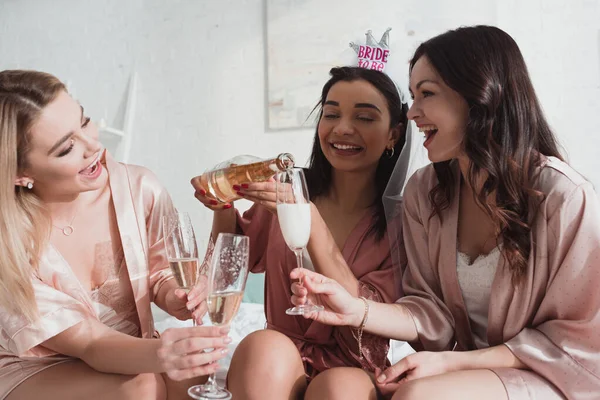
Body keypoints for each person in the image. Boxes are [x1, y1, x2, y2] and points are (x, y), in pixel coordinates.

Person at [290, 25, 600, 400]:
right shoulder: (426, 192)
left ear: (480, 95)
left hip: (551, 374)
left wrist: (453, 364)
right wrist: (357, 309)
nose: (413, 112)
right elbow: (430, 312)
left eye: (427, 94)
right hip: (468, 373)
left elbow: (579, 340)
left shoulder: (563, 197)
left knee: (417, 396)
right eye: (413, 95)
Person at [191, 66, 423, 399]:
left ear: (394, 134)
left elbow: (364, 326)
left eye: (365, 118)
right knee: (263, 348)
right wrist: (222, 203)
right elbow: (230, 267)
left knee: (337, 389)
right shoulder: (288, 187)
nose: (342, 128)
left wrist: (309, 218)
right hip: (277, 359)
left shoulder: (402, 223)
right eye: (331, 114)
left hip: (353, 368)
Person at [0, 70, 229, 400]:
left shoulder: (140, 189)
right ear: (21, 174)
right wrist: (160, 354)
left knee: (193, 381)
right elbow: (91, 343)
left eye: (85, 121)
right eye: (66, 149)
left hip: (134, 354)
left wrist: (176, 296)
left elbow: (162, 272)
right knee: (144, 386)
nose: (93, 146)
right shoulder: (9, 242)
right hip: (37, 370)